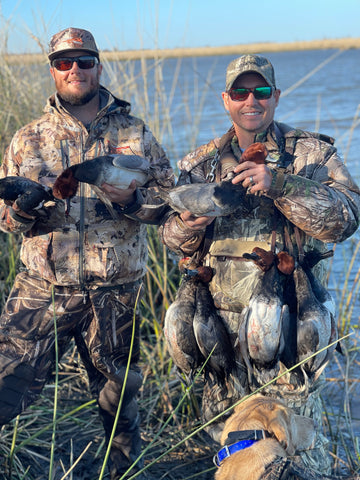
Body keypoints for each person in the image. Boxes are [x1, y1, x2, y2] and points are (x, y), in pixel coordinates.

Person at [160, 54, 360, 475]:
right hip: (218, 340)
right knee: (230, 458)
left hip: (288, 340)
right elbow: (169, 237)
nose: (251, 100)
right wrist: (188, 224)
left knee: (302, 462)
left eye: (262, 91)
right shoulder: (198, 166)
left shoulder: (311, 155)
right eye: (240, 92)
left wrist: (281, 184)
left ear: (276, 97)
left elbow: (346, 219)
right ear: (226, 100)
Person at [0, 27, 174, 480]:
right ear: (53, 71)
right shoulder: (27, 139)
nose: (74, 69)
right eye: (63, 62)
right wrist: (21, 213)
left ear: (98, 65)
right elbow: (5, 222)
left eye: (84, 60)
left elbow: (168, 205)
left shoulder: (135, 133)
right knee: (3, 383)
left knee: (120, 399)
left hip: (116, 291)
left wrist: (133, 202)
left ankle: (122, 472)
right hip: (43, 288)